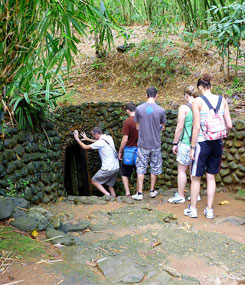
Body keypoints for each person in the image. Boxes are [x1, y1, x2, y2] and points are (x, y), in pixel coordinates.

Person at [184, 74, 232, 219]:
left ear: (199, 87)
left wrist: (192, 147)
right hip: (217, 142)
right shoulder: (222, 99)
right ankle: (209, 210)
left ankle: (193, 209)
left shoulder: (197, 101)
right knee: (211, 177)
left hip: (201, 143)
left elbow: (196, 127)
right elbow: (229, 125)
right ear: (211, 86)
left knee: (196, 177)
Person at [132, 87, 166, 201]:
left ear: (146, 95)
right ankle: (152, 191)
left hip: (142, 143)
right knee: (154, 167)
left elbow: (137, 126)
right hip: (155, 143)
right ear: (157, 95)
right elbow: (163, 127)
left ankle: (140, 192)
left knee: (141, 167)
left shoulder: (139, 109)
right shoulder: (161, 110)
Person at [168, 85, 200, 203]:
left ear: (186, 95)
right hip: (197, 142)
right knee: (194, 171)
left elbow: (179, 127)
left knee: (182, 170)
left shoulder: (184, 108)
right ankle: (195, 195)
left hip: (186, 142)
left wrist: (175, 143)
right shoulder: (199, 106)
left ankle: (181, 195)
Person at [74, 127, 119, 197]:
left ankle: (108, 195)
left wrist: (77, 139)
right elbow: (98, 142)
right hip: (116, 167)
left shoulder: (100, 142)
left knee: (94, 181)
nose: (93, 137)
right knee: (110, 186)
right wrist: (88, 139)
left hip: (108, 168)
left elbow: (85, 147)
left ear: (96, 134)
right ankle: (115, 201)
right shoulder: (108, 137)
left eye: (93, 135)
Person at [118, 103, 139, 196]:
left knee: (124, 173)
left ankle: (127, 193)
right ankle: (139, 192)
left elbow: (125, 139)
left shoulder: (128, 121)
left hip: (129, 151)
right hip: (140, 151)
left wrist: (120, 151)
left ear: (128, 110)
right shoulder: (141, 120)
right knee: (139, 172)